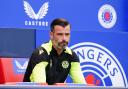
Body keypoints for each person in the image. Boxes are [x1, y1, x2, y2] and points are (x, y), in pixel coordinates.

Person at [23, 18, 86, 85]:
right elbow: (40, 87)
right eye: (60, 34)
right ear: (51, 35)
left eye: (67, 34)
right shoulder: (40, 54)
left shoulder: (72, 56)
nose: (64, 38)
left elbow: (82, 85)